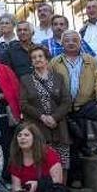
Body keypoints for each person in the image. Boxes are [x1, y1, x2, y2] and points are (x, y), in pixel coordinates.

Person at [50, 30, 97, 187]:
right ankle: (76, 178)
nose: (71, 42)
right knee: (73, 141)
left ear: (80, 43)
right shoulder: (55, 62)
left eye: (75, 40)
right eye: (67, 40)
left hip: (85, 103)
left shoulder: (90, 61)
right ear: (61, 43)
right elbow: (50, 84)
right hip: (64, 108)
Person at [20, 46, 72, 179]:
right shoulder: (25, 79)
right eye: (34, 57)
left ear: (47, 59)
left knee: (61, 165)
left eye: (40, 56)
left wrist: (54, 118)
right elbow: (23, 104)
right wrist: (42, 117)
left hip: (58, 127)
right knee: (40, 164)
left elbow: (66, 101)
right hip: (38, 129)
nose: (37, 59)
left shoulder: (58, 78)